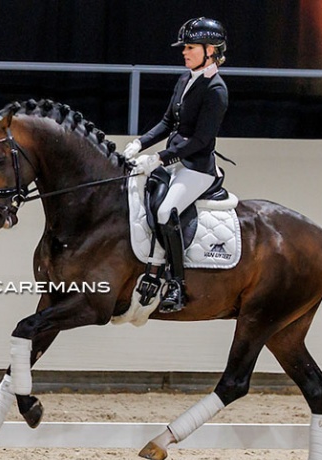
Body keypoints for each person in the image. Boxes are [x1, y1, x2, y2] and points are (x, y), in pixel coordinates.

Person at [124, 17, 229, 313]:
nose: (184, 52)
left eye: (191, 47)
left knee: (166, 210)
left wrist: (159, 158)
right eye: (185, 47)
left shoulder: (216, 90)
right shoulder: (185, 79)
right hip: (175, 162)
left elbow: (200, 140)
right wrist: (140, 143)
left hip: (196, 168)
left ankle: (177, 285)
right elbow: (168, 122)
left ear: (211, 50)